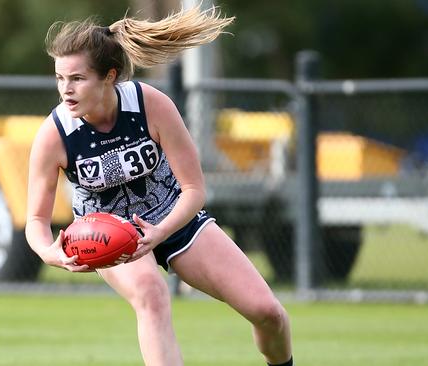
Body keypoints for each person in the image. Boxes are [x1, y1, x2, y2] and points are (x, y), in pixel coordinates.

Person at [25, 5, 293, 366]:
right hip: (111, 235)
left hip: (174, 219)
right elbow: (36, 222)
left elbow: (195, 190)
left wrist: (161, 230)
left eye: (77, 78)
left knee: (268, 313)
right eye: (60, 78)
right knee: (152, 295)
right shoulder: (55, 134)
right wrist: (49, 253)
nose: (65, 90)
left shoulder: (151, 105)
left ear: (109, 76)